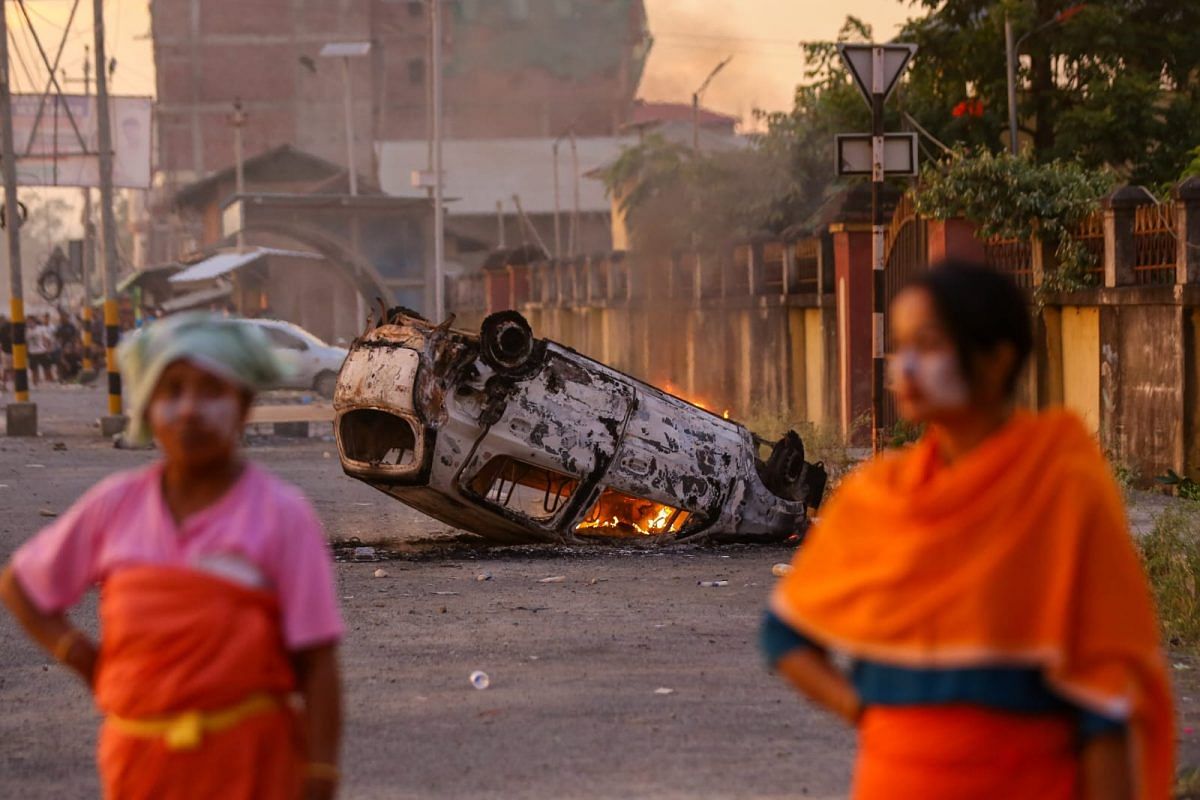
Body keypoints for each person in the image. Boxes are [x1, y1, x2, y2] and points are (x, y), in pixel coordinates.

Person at [763, 261, 1172, 800]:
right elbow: (785, 633)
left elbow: (1104, 692)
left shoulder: (1062, 487)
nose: (904, 365)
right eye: (900, 344)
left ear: (998, 359)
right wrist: (869, 713)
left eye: (928, 346)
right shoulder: (880, 497)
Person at [0, 312, 344, 799]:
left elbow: (317, 662)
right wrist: (81, 656)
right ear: (147, 406)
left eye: (210, 391)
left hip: (251, 765)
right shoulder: (113, 506)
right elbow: (21, 584)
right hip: (140, 767)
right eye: (172, 390)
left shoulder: (284, 515)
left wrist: (320, 776)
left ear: (243, 405)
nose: (189, 410)